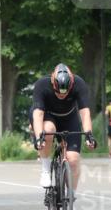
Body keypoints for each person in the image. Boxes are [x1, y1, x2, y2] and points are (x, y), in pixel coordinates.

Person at [31, 63, 96, 191]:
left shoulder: (79, 84)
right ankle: (45, 169)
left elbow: (84, 112)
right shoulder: (42, 85)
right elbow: (38, 114)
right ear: (53, 83)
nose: (62, 95)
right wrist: (39, 137)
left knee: (73, 159)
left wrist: (89, 134)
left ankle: (71, 198)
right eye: (58, 92)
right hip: (47, 115)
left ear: (71, 84)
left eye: (65, 93)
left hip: (68, 117)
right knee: (48, 130)